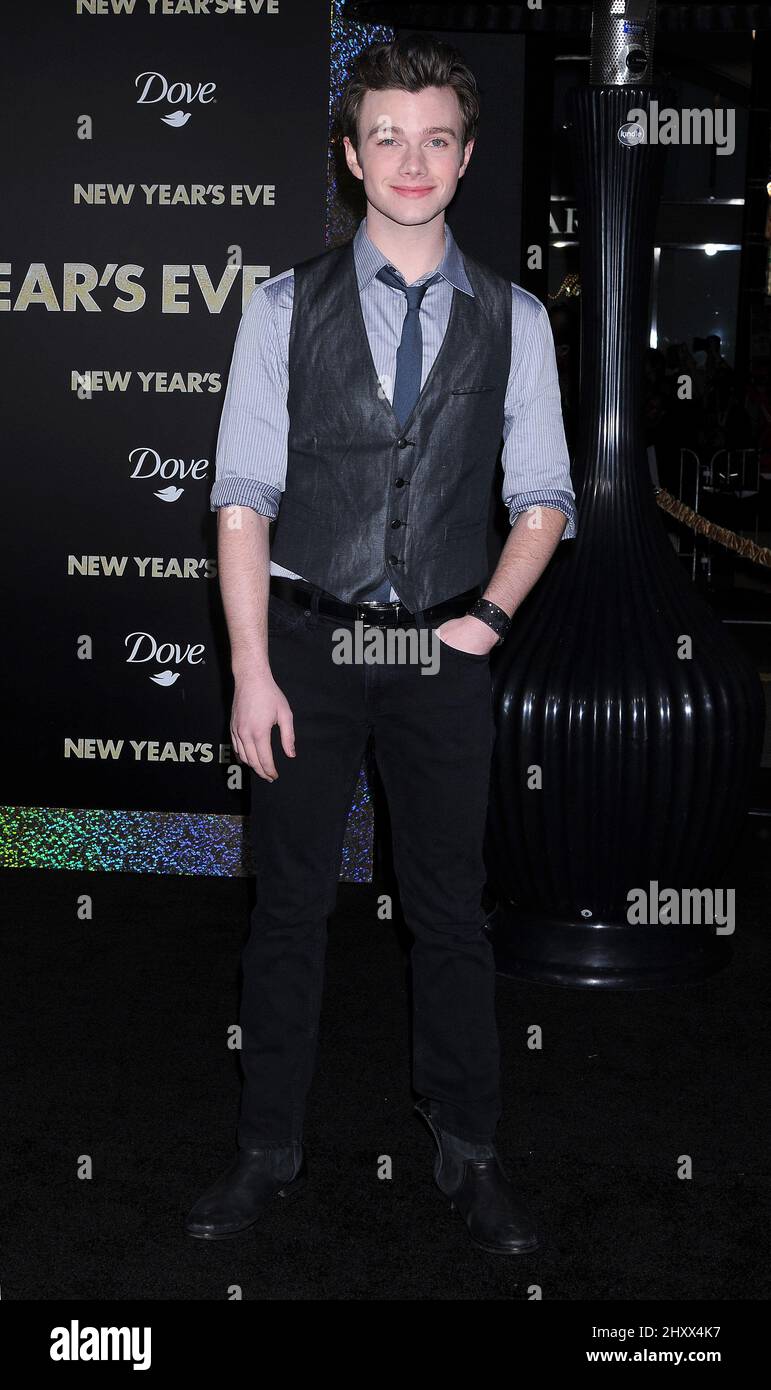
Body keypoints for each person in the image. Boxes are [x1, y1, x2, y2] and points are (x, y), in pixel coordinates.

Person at [185, 32, 577, 1256]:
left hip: (444, 656)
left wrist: (488, 620)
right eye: (388, 136)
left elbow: (547, 498)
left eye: (437, 138)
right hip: (306, 643)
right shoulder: (280, 307)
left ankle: (467, 1148)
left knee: (452, 915)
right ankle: (266, 1150)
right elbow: (241, 496)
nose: (413, 160)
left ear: (463, 161)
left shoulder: (515, 321)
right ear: (354, 156)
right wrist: (250, 668)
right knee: (290, 911)